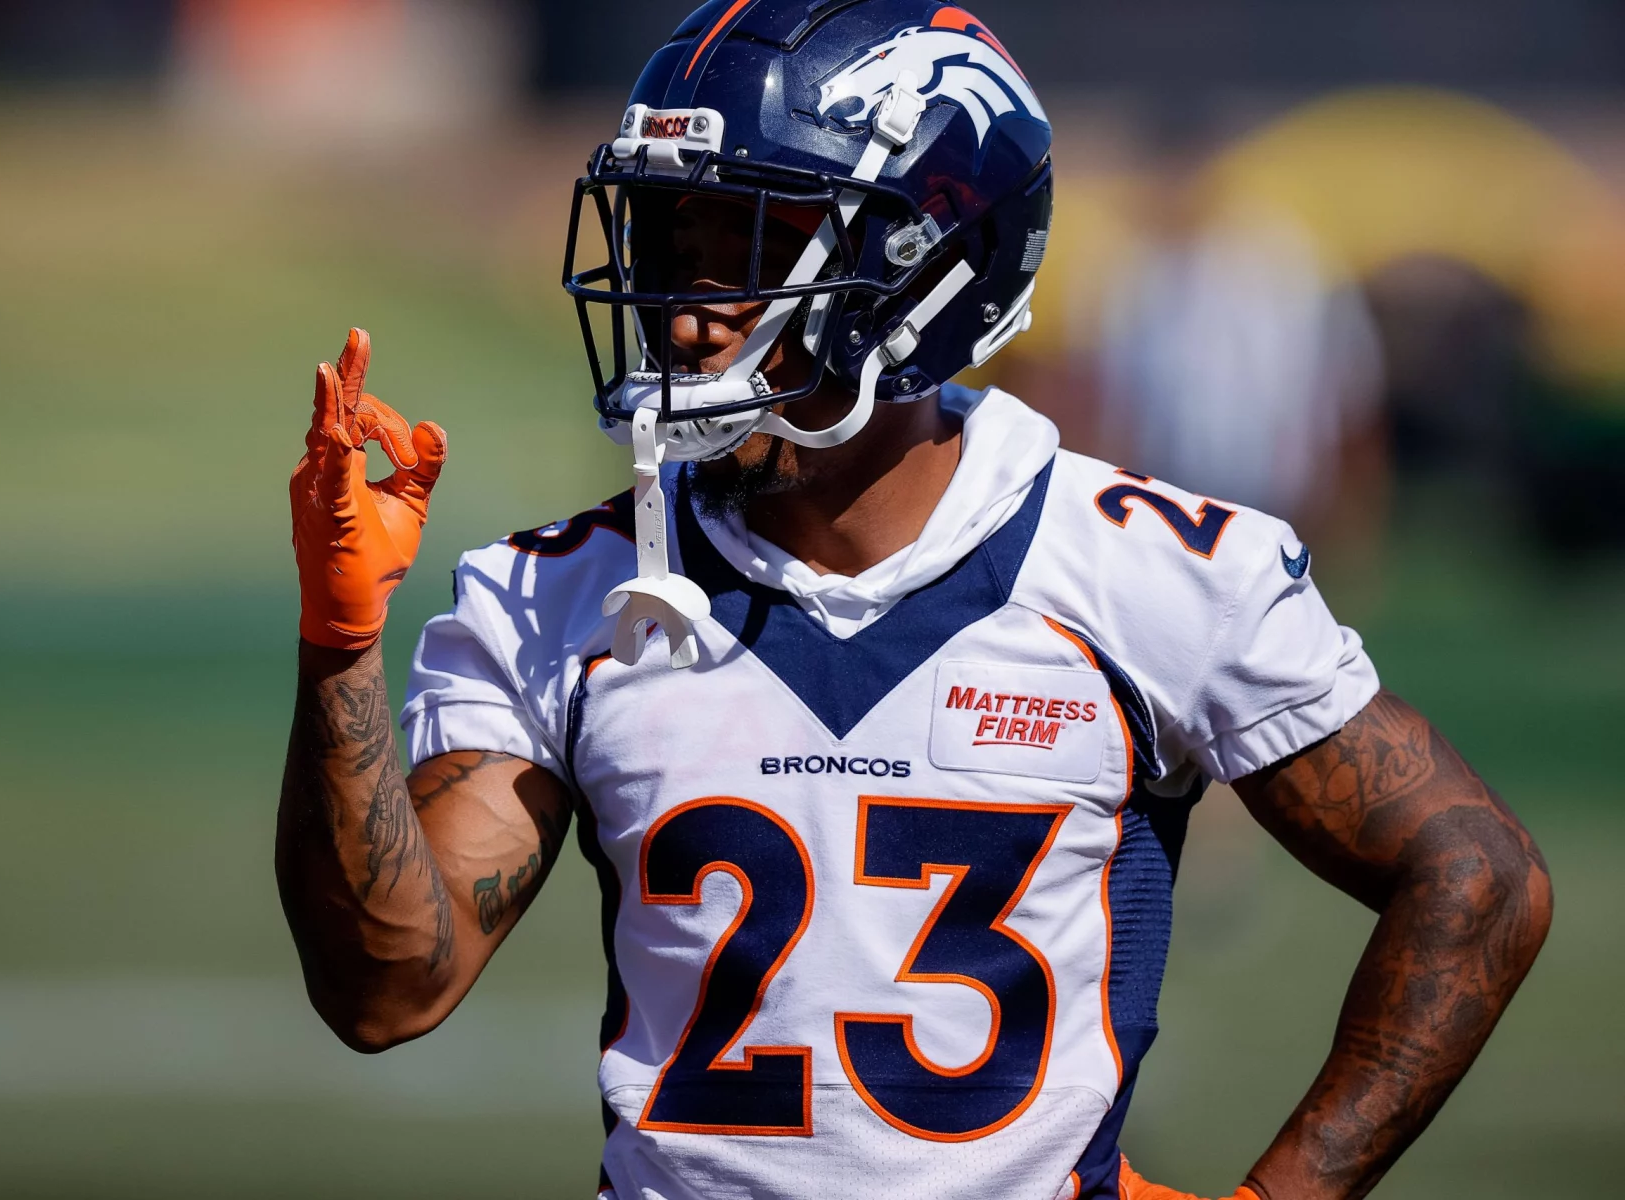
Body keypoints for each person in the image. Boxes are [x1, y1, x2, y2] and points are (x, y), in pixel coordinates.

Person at [276, 3, 1552, 1197]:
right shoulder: (559, 594)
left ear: (929, 271)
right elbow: (389, 990)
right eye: (670, 243)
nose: (683, 317)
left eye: (753, 248)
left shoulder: (1140, 570)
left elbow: (1475, 875)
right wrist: (340, 646)